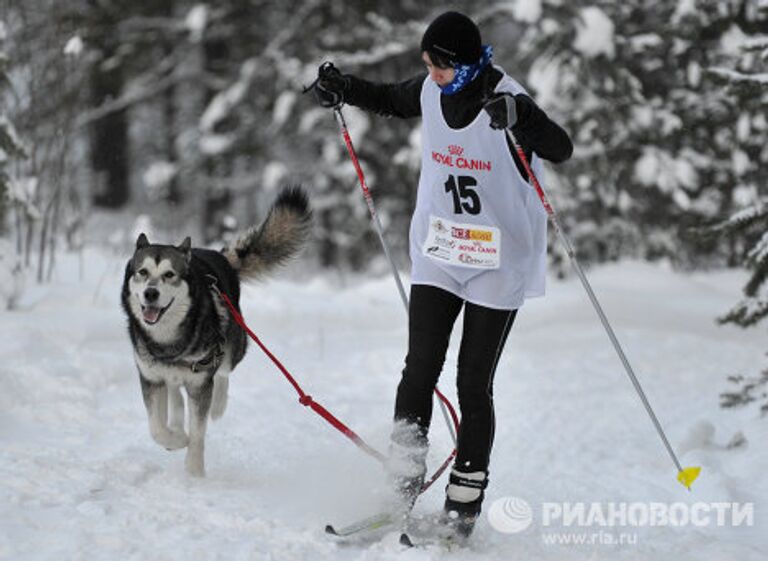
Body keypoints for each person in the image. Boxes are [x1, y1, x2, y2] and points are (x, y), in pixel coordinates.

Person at [312, 11, 573, 539]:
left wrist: (521, 117)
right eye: (427, 65)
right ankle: (400, 488)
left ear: (469, 63)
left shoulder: (504, 95)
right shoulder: (432, 90)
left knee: (473, 384)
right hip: (440, 251)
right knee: (418, 369)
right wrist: (341, 88)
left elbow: (560, 147)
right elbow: (389, 97)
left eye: (439, 66)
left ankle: (463, 504)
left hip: (496, 262)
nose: (431, 75)